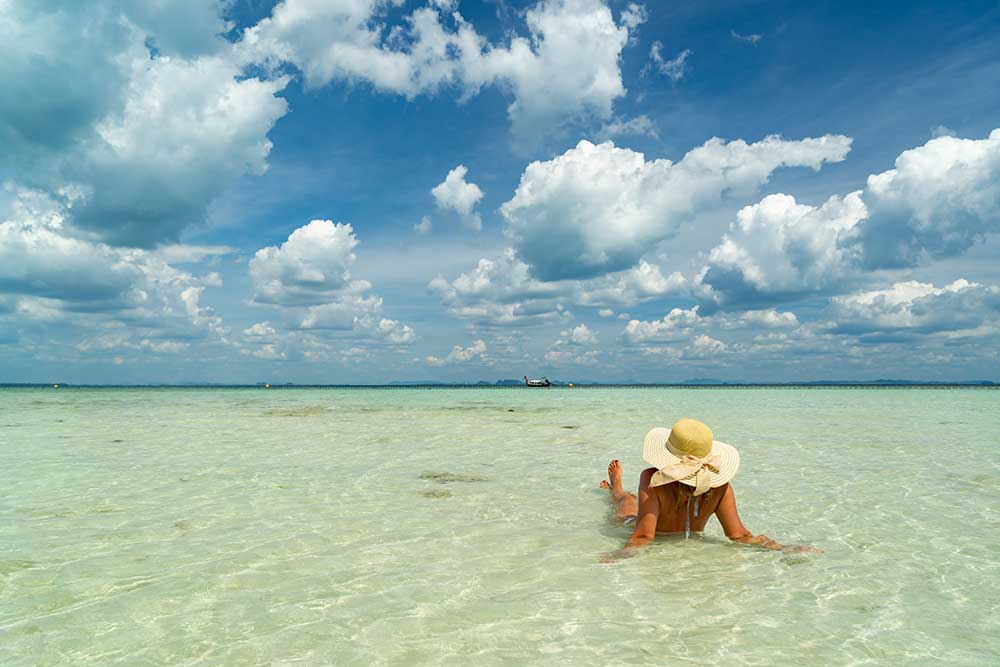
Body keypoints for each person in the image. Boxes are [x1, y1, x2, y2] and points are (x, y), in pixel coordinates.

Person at [600, 418, 818, 559]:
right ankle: (616, 488)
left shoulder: (652, 478)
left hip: (649, 530)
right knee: (631, 502)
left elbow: (644, 535)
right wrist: (781, 548)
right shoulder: (721, 487)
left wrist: (620, 554)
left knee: (627, 503)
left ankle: (616, 488)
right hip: (684, 535)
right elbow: (740, 535)